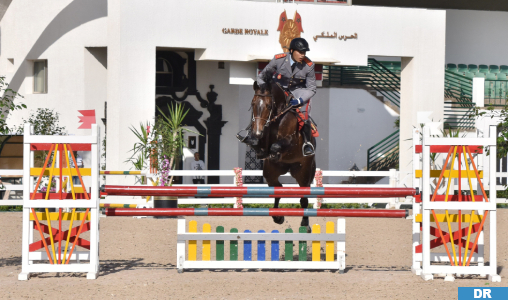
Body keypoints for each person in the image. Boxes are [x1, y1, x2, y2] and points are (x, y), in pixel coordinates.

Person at [243, 37, 317, 156]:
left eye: (304, 52)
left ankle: (307, 143)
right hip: (278, 89)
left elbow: (312, 88)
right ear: (292, 51)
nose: (303, 55)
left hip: (298, 92)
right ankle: (251, 133)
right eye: (300, 52)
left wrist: (300, 100)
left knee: (304, 114)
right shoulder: (278, 60)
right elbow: (261, 77)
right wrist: (264, 90)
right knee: (261, 104)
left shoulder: (309, 66)